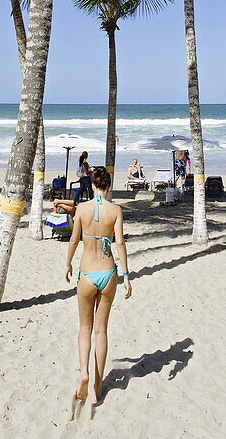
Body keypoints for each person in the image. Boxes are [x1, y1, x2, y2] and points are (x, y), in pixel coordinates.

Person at [65, 166, 131, 409]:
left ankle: (84, 372)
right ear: (109, 186)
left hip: (87, 273)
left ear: (92, 185)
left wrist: (67, 263)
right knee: (101, 331)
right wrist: (126, 276)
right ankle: (98, 385)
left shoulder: (81, 209)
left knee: (84, 328)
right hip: (108, 273)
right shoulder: (116, 210)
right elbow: (120, 244)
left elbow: (74, 240)